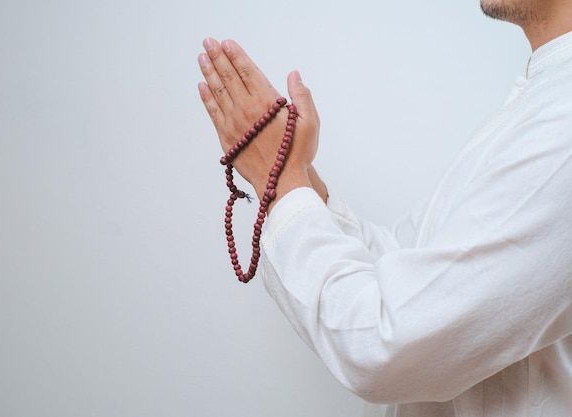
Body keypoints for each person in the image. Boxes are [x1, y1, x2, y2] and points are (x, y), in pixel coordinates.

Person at [197, 1, 572, 416]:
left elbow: (385, 345)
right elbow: (409, 274)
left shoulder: (562, 123)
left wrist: (280, 179)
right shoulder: (546, 99)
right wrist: (299, 177)